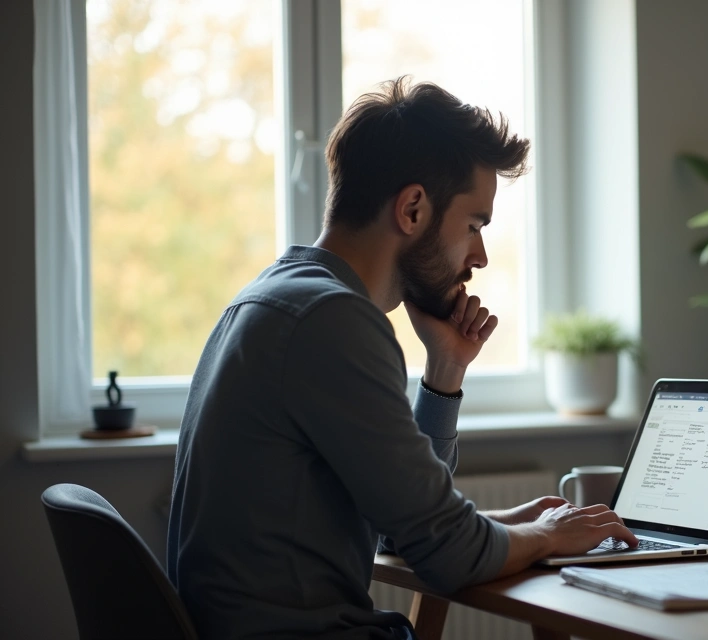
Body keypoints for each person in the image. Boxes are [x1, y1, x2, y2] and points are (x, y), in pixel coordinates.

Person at [166, 77, 637, 639]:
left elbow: (400, 529)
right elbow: (450, 556)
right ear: (413, 208)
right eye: (474, 225)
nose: (480, 256)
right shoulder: (331, 322)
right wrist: (553, 535)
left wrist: (445, 373)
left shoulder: (275, 297)